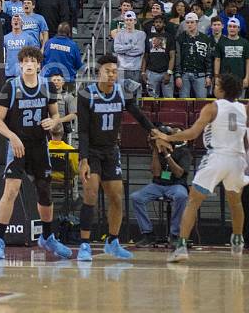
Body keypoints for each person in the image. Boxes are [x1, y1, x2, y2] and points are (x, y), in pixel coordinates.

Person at [76, 54, 168, 261]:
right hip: (91, 151)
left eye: (115, 71)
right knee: (90, 194)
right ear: (98, 72)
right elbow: (82, 131)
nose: (111, 74)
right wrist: (83, 159)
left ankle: (113, 241)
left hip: (111, 150)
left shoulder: (121, 92)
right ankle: (84, 244)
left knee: (117, 197)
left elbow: (139, 115)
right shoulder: (86, 95)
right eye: (108, 71)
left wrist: (156, 133)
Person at [0, 46, 72, 260]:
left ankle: (47, 237)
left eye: (32, 61)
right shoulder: (11, 86)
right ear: (20, 64)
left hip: (39, 146)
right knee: (11, 191)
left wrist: (53, 121)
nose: (28, 64)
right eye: (25, 60)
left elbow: (55, 117)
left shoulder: (47, 87)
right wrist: (13, 137)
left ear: (38, 65)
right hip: (18, 145)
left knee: (44, 191)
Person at [154, 74, 248, 262]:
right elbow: (245, 139)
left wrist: (168, 138)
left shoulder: (212, 107)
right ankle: (238, 239)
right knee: (235, 201)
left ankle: (181, 246)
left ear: (222, 89)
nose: (214, 86)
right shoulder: (243, 108)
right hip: (238, 160)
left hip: (217, 158)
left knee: (193, 201)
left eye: (217, 84)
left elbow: (192, 133)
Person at [131, 124, 191, 247]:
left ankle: (175, 234)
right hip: (158, 184)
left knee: (181, 196)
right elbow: (156, 173)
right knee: (136, 197)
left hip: (176, 184)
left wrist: (167, 154)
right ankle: (148, 234)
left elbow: (179, 173)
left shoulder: (184, 152)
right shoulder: (158, 149)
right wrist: (155, 150)